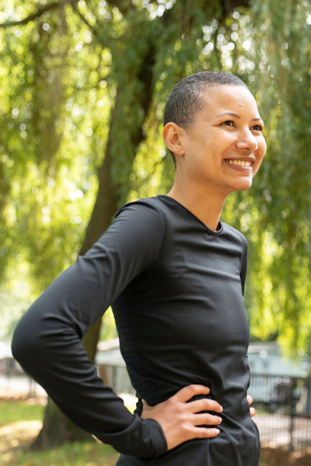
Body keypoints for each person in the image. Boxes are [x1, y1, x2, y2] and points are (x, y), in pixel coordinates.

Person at [12, 71, 266, 465]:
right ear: (175, 138)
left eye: (256, 127)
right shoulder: (150, 223)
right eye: (228, 124)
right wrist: (137, 434)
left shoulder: (234, 245)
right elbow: (40, 334)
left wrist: (231, 403)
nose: (249, 141)